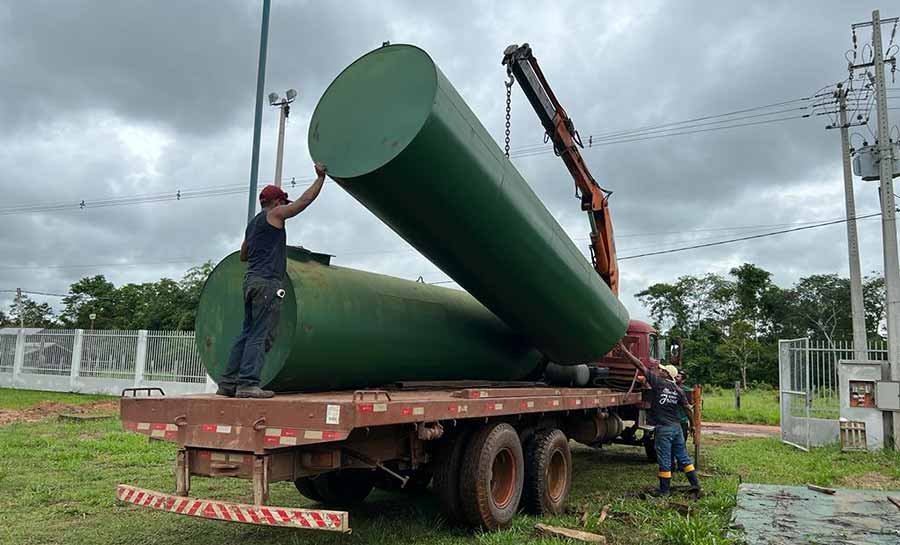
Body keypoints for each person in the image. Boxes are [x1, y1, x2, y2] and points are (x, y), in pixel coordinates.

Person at [217, 163, 327, 399]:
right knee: (260, 333)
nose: (285, 208)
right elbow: (302, 203)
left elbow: (243, 255)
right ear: (277, 203)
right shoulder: (274, 215)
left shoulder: (252, 225)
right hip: (267, 283)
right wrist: (320, 179)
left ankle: (227, 383)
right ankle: (248, 384)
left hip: (250, 282)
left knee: (246, 333)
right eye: (283, 203)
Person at [618, 342, 700, 496]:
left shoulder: (658, 383)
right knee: (683, 458)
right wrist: (692, 425)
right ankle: (695, 485)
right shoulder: (678, 390)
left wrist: (624, 351)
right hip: (676, 428)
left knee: (665, 459)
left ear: (667, 374)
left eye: (662, 371)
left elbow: (640, 366)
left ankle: (664, 491)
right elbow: (688, 408)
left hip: (664, 429)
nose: (659, 371)